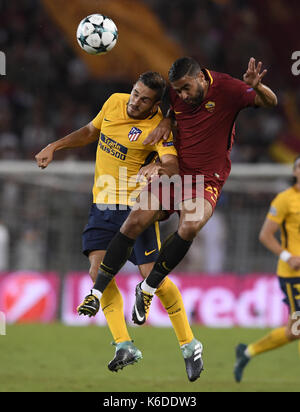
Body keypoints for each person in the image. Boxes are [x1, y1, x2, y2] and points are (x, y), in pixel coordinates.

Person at [78, 56, 277, 377]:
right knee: (135, 220)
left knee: (191, 225)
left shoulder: (228, 89)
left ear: (201, 78)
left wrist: (258, 87)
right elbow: (167, 111)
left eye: (186, 89)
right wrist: (167, 121)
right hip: (173, 177)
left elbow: (271, 102)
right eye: (177, 92)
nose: (181, 96)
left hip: (205, 179)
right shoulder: (171, 95)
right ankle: (99, 294)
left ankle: (149, 291)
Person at [35, 71, 203, 382]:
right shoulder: (114, 102)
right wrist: (54, 146)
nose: (135, 102)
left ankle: (189, 344)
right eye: (135, 93)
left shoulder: (156, 127)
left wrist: (157, 165)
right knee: (97, 271)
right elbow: (89, 131)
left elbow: (173, 163)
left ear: (155, 106)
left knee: (151, 276)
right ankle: (124, 345)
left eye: (144, 100)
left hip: (135, 210)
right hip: (103, 206)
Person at [234, 155, 300, 382]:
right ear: (294, 172)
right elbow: (265, 235)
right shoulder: (284, 200)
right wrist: (287, 255)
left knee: (295, 331)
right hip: (293, 275)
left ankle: (247, 351)